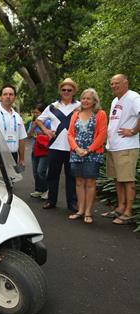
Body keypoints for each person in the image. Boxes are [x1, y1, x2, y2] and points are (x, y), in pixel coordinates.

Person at [101, 74, 140, 225]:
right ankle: (120, 207)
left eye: (117, 83)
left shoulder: (133, 97)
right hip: (114, 147)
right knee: (118, 179)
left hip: (127, 146)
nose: (114, 86)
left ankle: (128, 211)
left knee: (127, 180)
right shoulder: (115, 101)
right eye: (112, 83)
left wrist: (134, 131)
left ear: (126, 83)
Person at [36, 78, 80, 210]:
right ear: (60, 91)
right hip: (55, 146)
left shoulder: (79, 106)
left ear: (74, 91)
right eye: (64, 89)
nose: (66, 92)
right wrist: (45, 130)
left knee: (71, 177)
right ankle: (51, 200)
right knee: (53, 175)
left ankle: (72, 203)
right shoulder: (52, 107)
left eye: (69, 90)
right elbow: (39, 120)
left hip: (72, 147)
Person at [67, 89, 107, 224]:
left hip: (93, 153)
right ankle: (80, 210)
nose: (85, 101)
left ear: (94, 101)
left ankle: (88, 211)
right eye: (83, 98)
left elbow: (102, 135)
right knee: (79, 182)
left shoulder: (100, 114)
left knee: (90, 182)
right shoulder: (76, 114)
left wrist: (89, 150)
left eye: (88, 98)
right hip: (76, 152)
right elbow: (70, 134)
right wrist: (76, 148)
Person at [0, 84, 27, 166]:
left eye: (11, 94)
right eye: (5, 94)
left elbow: (21, 139)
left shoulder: (18, 117)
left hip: (13, 155)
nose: (8, 96)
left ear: (14, 98)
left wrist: (22, 158)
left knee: (12, 178)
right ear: (0, 97)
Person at [26, 103, 51, 199]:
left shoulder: (48, 122)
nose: (36, 115)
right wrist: (34, 125)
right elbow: (28, 136)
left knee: (41, 171)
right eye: (34, 113)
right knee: (35, 171)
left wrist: (41, 130)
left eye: (38, 113)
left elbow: (52, 134)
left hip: (45, 150)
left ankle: (46, 190)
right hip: (35, 149)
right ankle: (38, 190)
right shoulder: (32, 123)